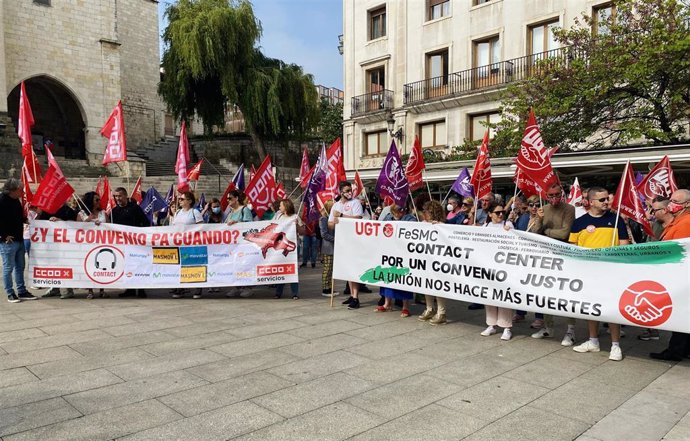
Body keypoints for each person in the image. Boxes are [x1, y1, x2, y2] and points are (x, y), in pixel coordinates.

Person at [570, 187, 629, 361]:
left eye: (607, 199)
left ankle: (615, 345)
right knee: (590, 308)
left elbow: (625, 245)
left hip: (610, 272)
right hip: (588, 274)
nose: (606, 202)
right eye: (602, 200)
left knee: (610, 309)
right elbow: (573, 248)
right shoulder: (579, 222)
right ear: (591, 202)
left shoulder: (616, 220)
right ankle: (593, 341)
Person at [530, 184, 576, 342]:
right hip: (546, 255)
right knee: (545, 292)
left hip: (563, 256)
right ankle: (548, 327)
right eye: (551, 195)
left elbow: (565, 233)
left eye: (557, 194)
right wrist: (539, 219)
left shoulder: (569, 208)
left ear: (562, 194)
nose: (555, 198)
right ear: (546, 196)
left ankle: (570, 330)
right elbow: (535, 233)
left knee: (566, 293)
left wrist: (546, 232)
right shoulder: (544, 209)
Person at [650, 190, 690, 361]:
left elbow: (677, 251)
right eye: (671, 199)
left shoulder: (685, 223)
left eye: (675, 201)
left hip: (681, 276)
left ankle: (676, 351)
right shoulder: (679, 221)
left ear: (687, 204)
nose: (670, 203)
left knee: (681, 314)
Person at [480, 201, 514, 340]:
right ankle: (491, 325)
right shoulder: (485, 226)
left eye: (502, 212)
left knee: (504, 296)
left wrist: (510, 232)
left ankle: (506, 327)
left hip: (504, 266)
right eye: (497, 212)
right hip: (489, 266)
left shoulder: (508, 225)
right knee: (489, 296)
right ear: (490, 214)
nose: (500, 214)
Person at [329, 181, 364, 309]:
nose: (349, 192)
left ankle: (356, 297)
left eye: (350, 190)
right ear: (340, 192)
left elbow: (358, 218)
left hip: (353, 240)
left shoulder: (355, 203)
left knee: (353, 268)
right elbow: (330, 224)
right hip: (341, 241)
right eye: (347, 190)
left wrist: (342, 216)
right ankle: (351, 294)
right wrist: (334, 222)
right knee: (347, 268)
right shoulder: (336, 205)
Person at [0, 179, 36, 302]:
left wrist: (25, 220)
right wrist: (4, 236)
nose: (22, 192)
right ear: (13, 190)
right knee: (8, 268)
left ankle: (21, 291)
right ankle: (10, 292)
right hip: (8, 241)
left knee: (20, 266)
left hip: (19, 238)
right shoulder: (2, 200)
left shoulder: (16, 201)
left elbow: (18, 216)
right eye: (20, 190)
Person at [377, 204, 417, 317]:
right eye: (398, 211)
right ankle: (387, 303)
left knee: (403, 277)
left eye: (402, 210)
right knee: (387, 276)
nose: (400, 213)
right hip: (389, 251)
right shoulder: (388, 217)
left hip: (403, 252)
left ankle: (405, 307)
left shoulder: (410, 218)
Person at [111, 187, 150, 298]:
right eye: (116, 196)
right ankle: (130, 289)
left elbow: (145, 223)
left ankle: (141, 290)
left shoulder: (135, 208)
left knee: (139, 265)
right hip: (123, 244)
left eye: (119, 196)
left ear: (125, 196)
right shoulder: (114, 211)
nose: (117, 198)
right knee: (127, 266)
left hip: (136, 243)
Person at [418, 200, 450, 325]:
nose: (425, 213)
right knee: (427, 285)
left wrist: (439, 226)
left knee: (438, 285)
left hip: (438, 260)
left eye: (427, 211)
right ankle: (429, 309)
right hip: (426, 258)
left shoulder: (442, 225)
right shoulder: (423, 224)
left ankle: (441, 312)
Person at [40, 202, 79, 299]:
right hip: (51, 243)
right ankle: (54, 288)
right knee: (53, 265)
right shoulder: (47, 210)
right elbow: (39, 223)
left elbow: (75, 224)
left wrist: (61, 221)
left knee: (65, 265)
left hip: (65, 243)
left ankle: (68, 290)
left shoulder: (68, 210)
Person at [171, 191, 204, 299]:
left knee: (195, 265)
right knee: (181, 266)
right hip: (180, 244)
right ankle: (181, 288)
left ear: (189, 201)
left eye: (182, 199)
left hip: (192, 243)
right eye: (179, 199)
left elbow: (201, 228)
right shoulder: (177, 213)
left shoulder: (195, 212)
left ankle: (198, 289)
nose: (179, 201)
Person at [78, 191, 108, 299]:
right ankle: (90, 290)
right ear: (90, 201)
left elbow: (110, 226)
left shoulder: (103, 213)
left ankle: (102, 290)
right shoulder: (82, 214)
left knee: (102, 266)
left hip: (102, 243)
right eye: (96, 200)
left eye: (99, 199)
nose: (99, 202)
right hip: (88, 245)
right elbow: (76, 229)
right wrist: (88, 221)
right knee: (90, 267)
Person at [225, 190, 254, 297]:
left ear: (236, 198)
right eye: (227, 198)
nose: (228, 200)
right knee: (235, 265)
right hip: (233, 246)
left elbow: (249, 226)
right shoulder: (231, 212)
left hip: (243, 244)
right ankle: (237, 286)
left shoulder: (244, 210)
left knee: (245, 265)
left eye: (230, 198)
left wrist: (237, 223)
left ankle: (247, 287)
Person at [274, 199, 304, 300]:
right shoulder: (279, 216)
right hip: (280, 246)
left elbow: (302, 231)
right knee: (281, 269)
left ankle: (295, 293)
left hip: (292, 247)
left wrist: (296, 225)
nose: (279, 207)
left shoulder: (295, 217)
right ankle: (278, 292)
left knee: (292, 269)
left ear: (286, 206)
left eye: (281, 206)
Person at [319, 199, 337, 297]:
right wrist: (335, 239)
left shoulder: (331, 219)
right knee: (327, 268)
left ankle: (330, 288)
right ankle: (325, 289)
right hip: (328, 247)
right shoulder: (323, 219)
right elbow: (324, 234)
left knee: (331, 269)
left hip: (334, 248)